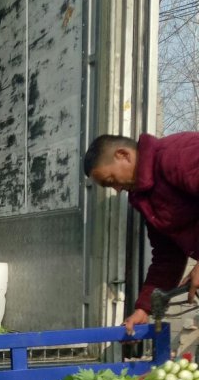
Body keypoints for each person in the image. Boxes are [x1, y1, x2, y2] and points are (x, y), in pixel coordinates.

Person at [84, 133, 199, 334]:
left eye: (111, 180)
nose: (117, 189)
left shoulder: (176, 154)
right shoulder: (145, 198)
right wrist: (144, 308)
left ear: (123, 155)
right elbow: (167, 257)